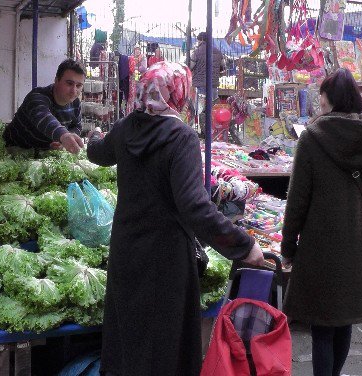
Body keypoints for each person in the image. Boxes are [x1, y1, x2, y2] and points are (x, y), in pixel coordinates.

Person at [86, 61, 265, 376]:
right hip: (166, 259)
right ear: (178, 94)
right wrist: (243, 245)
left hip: (127, 251)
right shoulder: (180, 136)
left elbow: (98, 154)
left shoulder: (126, 127)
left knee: (131, 337)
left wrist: (94, 135)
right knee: (164, 346)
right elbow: (194, 206)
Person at [280, 68, 362, 376]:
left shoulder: (313, 138)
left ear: (330, 98)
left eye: (322, 96)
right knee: (344, 323)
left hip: (320, 245)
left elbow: (297, 200)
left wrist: (288, 247)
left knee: (322, 328)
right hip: (359, 242)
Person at [2, 59, 85, 154]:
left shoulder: (75, 103)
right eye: (69, 83)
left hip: (43, 156)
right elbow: (44, 118)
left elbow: (77, 126)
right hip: (11, 151)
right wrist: (64, 135)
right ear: (56, 80)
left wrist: (66, 139)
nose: (74, 91)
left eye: (78, 86)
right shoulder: (37, 97)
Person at [189, 31, 224, 126]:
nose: (197, 42)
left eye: (198, 40)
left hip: (200, 85)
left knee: (201, 109)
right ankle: (212, 129)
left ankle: (203, 129)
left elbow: (190, 67)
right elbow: (223, 67)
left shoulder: (196, 52)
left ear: (202, 40)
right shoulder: (218, 52)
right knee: (213, 108)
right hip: (213, 85)